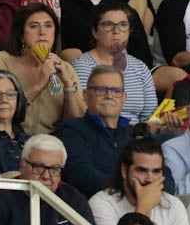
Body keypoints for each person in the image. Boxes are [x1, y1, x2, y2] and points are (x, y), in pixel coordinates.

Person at [0, 1, 84, 136]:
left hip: (51, 144)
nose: (42, 32)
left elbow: (79, 121)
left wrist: (68, 85)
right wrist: (39, 85)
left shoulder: (65, 67)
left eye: (48, 26)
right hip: (9, 138)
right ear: (21, 36)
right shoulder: (1, 61)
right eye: (33, 26)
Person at [57, 64, 139, 198]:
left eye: (116, 91)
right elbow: (81, 174)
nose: (109, 95)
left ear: (124, 98)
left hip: (139, 200)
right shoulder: (72, 130)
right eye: (101, 90)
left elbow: (164, 173)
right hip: (95, 205)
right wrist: (126, 191)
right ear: (86, 95)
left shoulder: (135, 134)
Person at [72, 0, 161, 123]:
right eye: (108, 25)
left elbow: (150, 116)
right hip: (99, 134)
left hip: (137, 136)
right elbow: (82, 112)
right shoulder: (83, 66)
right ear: (95, 32)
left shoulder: (140, 67)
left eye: (123, 25)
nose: (117, 31)